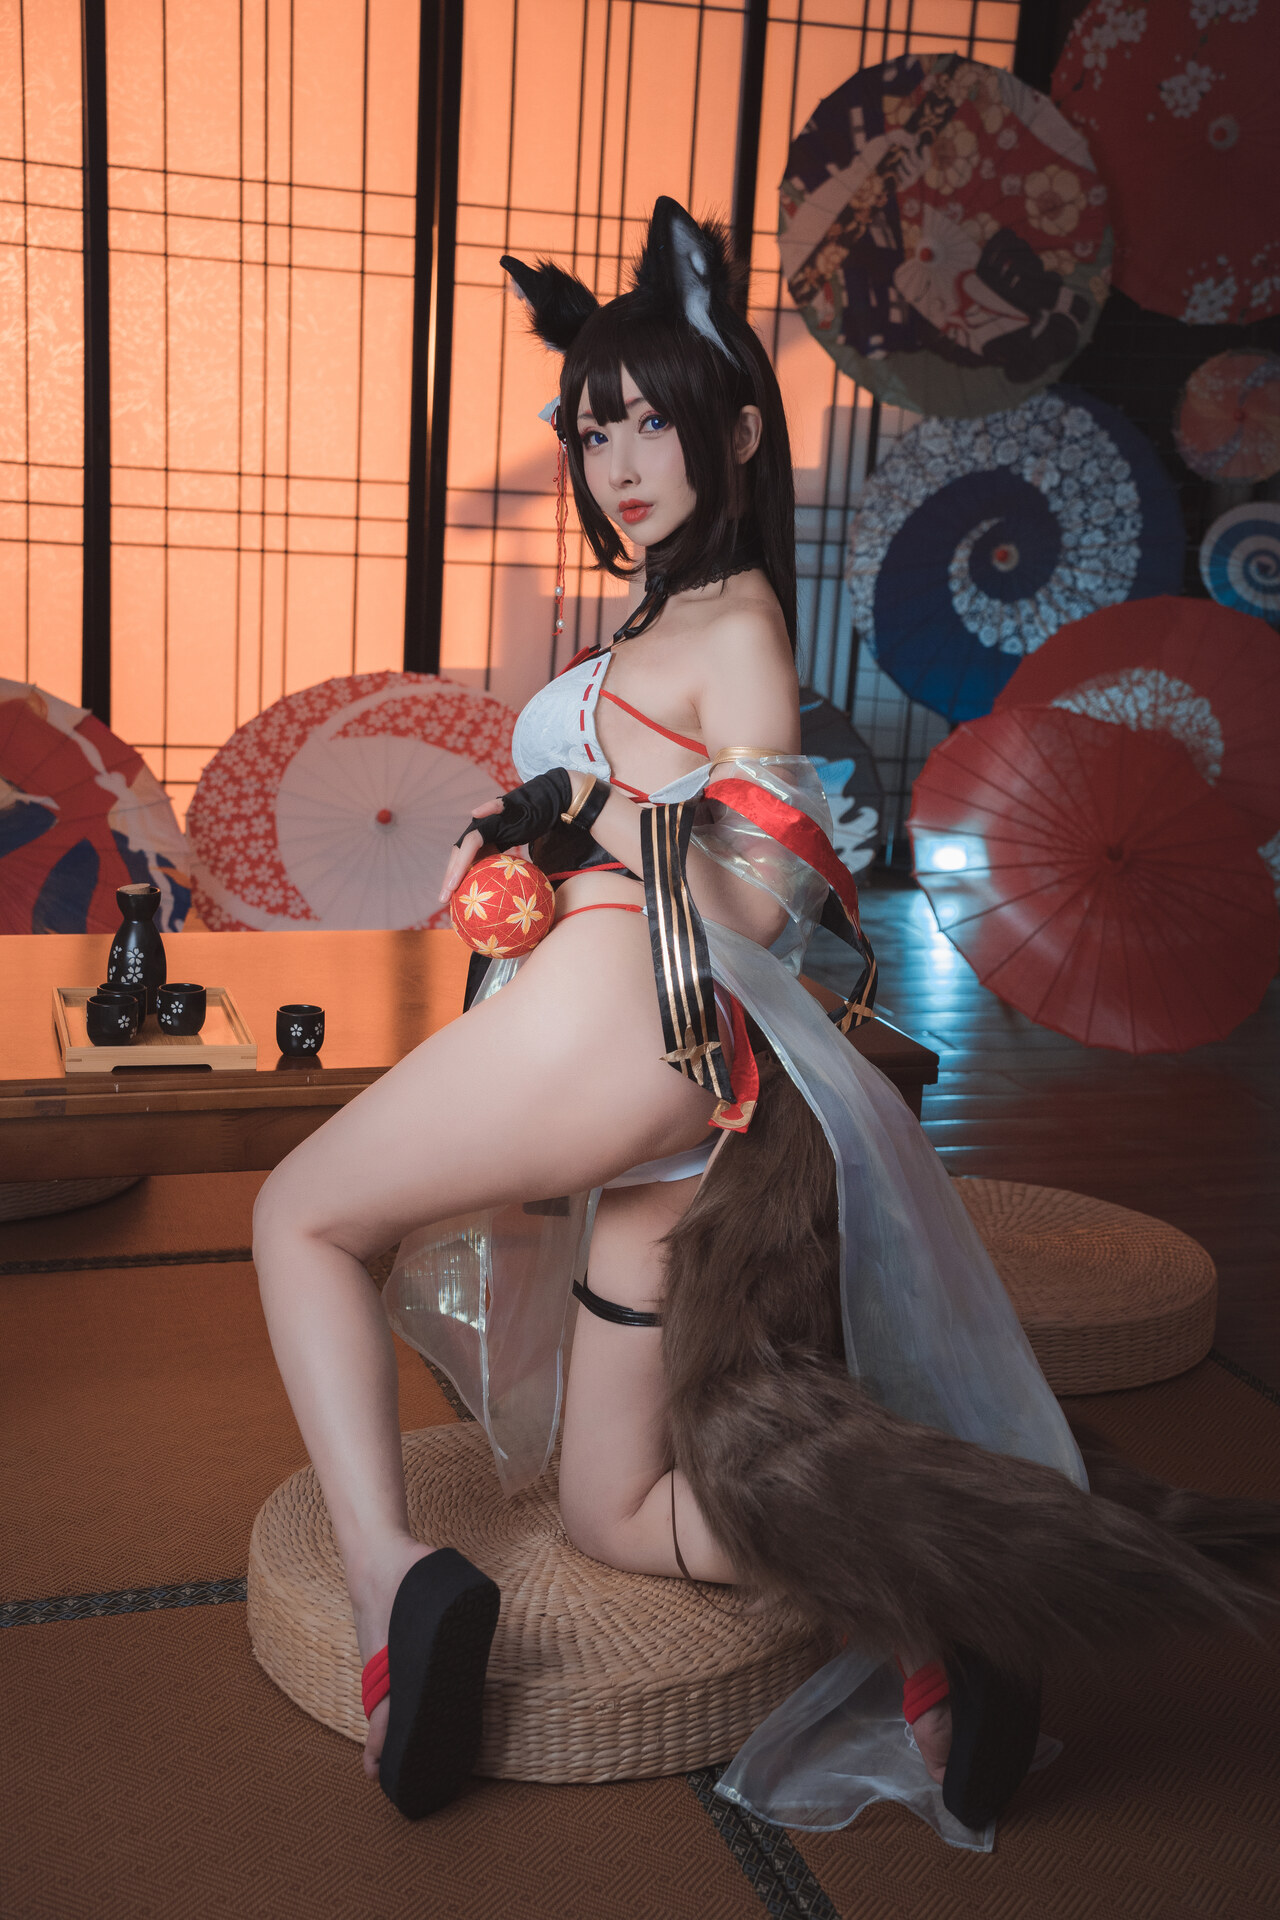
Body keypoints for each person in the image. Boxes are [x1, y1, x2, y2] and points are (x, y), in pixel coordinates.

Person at [253, 198, 1277, 1843]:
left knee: (297, 1215)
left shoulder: (734, 620)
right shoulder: (658, 620)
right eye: (593, 429)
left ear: (735, 431)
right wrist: (536, 834)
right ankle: (943, 1608)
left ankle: (390, 1586)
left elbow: (755, 896)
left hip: (626, 1024)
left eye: (652, 422)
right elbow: (645, 829)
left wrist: (571, 816)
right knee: (614, 1507)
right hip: (658, 1084)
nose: (618, 461)